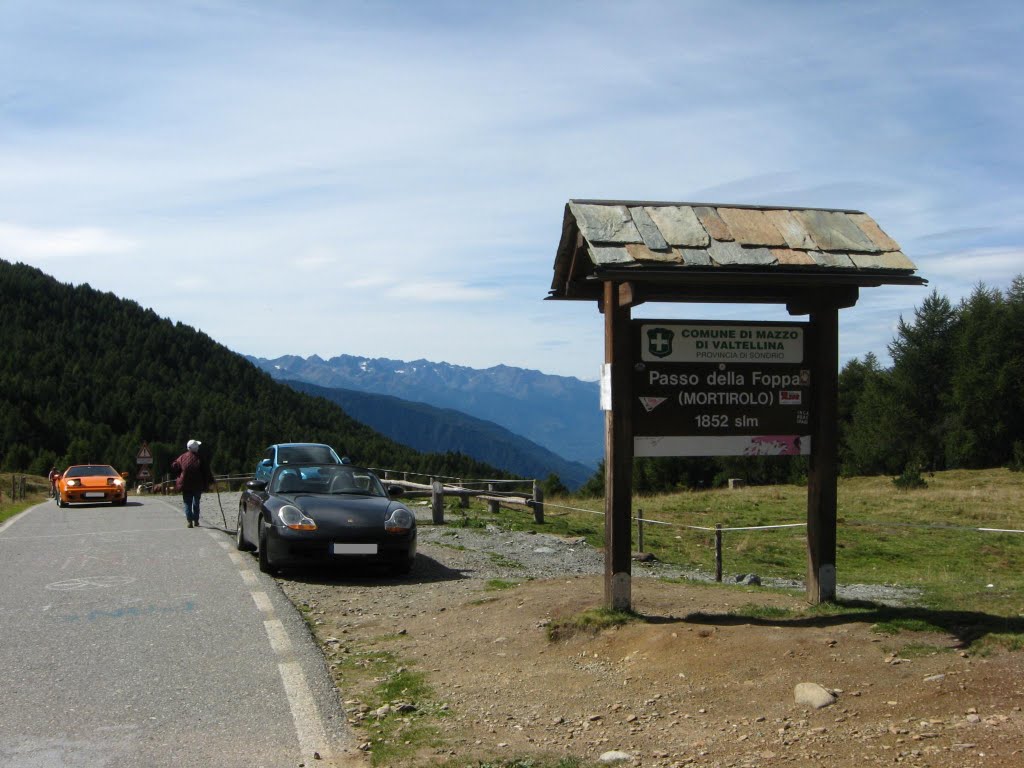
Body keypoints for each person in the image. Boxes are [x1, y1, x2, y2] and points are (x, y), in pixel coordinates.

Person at [170, 439, 215, 528]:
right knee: (196, 502)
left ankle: (189, 521)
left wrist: (180, 472)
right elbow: (206, 471)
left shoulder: (182, 457)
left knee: (187, 503)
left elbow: (175, 465)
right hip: (197, 485)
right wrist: (211, 481)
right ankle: (196, 520)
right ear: (196, 448)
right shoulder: (200, 457)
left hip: (185, 484)